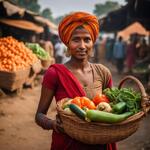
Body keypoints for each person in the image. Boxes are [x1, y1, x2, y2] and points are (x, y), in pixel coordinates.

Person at [35, 11, 117, 150]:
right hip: (68, 143)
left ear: (93, 42)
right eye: (76, 40)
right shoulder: (55, 73)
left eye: (87, 39)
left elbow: (115, 107)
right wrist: (53, 124)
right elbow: (39, 115)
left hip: (100, 144)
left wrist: (140, 104)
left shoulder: (103, 72)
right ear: (67, 42)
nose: (82, 46)